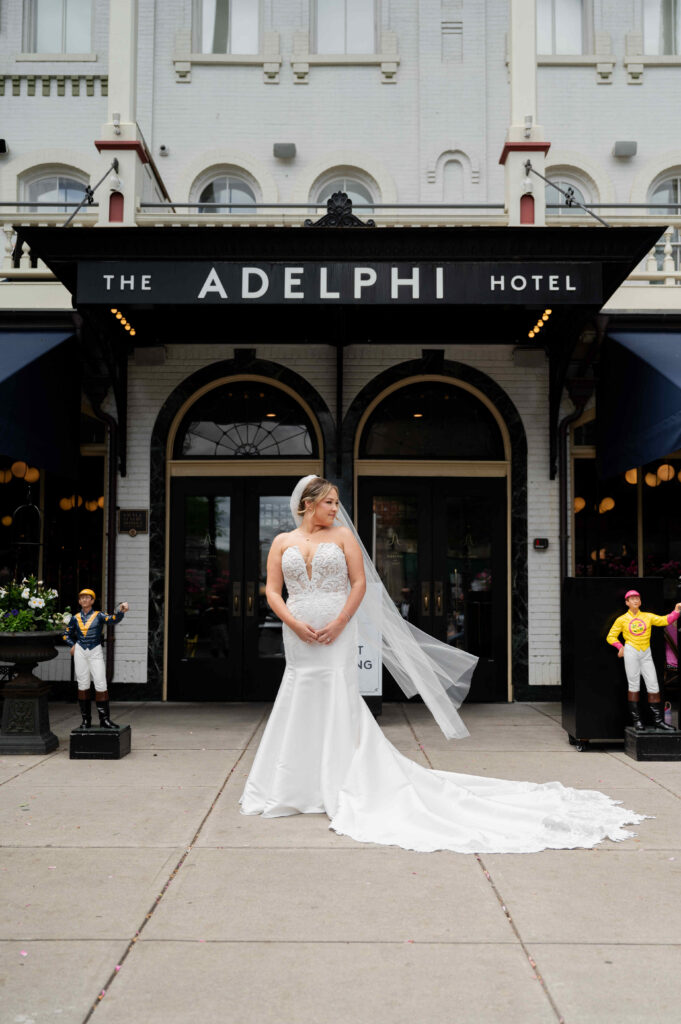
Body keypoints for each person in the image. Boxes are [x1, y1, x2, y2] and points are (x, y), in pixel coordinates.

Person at [240, 476, 645, 853]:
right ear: (308, 505)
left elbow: (361, 584)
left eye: (336, 502)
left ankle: (339, 778)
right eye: (329, 503)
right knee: (299, 694)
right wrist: (292, 622)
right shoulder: (281, 542)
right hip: (298, 634)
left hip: (337, 630)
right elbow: (273, 591)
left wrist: (342, 621)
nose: (335, 508)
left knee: (336, 696)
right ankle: (294, 784)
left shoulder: (344, 536)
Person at [606, 589, 680, 732]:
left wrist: (676, 611)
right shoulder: (621, 619)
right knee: (634, 685)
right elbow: (611, 636)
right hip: (631, 651)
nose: (635, 600)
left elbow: (665, 620)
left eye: (637, 598)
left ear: (640, 601)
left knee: (653, 685)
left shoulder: (647, 616)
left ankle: (658, 721)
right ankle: (637, 721)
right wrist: (620, 647)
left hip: (646, 653)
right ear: (627, 602)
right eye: (632, 598)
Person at [63, 589, 129, 729]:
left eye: (87, 598)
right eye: (82, 598)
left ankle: (104, 720)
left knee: (100, 683)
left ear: (92, 601)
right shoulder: (75, 618)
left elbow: (112, 619)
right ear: (79, 601)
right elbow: (66, 634)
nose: (84, 600)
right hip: (80, 650)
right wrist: (72, 644)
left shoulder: (98, 615)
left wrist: (121, 612)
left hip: (95, 650)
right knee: (82, 684)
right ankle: (86, 720)